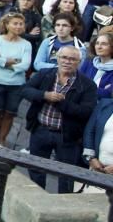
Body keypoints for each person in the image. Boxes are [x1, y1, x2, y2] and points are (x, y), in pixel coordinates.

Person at [22, 47, 98, 193]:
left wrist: (61, 103)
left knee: (66, 174)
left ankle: (62, 205)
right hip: (41, 130)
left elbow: (86, 111)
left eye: (72, 59)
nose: (67, 61)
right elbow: (25, 90)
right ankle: (37, 198)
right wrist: (44, 95)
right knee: (35, 168)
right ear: (57, 58)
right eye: (64, 57)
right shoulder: (45, 74)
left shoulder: (87, 85)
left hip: (67, 137)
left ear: (79, 62)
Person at [0, 12, 33, 146]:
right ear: (7, 25)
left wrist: (5, 62)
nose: (18, 26)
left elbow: (25, 65)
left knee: (10, 113)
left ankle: (2, 139)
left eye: (21, 24)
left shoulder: (26, 44)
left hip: (17, 84)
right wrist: (13, 62)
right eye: (15, 23)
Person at [80, 32, 113, 100]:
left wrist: (85, 88)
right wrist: (100, 90)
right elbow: (76, 83)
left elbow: (108, 94)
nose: (99, 47)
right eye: (97, 43)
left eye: (104, 44)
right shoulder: (89, 63)